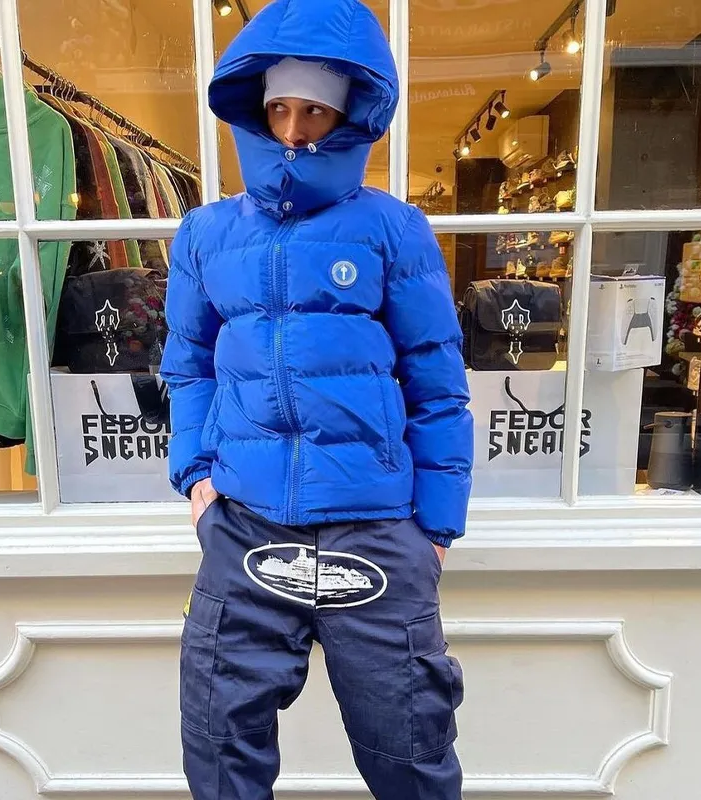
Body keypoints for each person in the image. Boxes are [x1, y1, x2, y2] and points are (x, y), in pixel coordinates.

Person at [161, 0, 473, 797]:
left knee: (410, 753)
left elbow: (437, 386)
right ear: (255, 108)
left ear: (350, 115)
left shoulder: (393, 230)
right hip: (244, 525)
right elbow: (188, 367)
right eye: (279, 109)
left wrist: (434, 529)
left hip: (376, 532)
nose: (294, 131)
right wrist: (196, 478)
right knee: (218, 749)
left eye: (315, 110)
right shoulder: (205, 235)